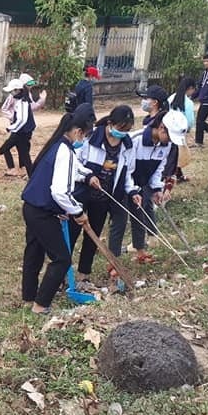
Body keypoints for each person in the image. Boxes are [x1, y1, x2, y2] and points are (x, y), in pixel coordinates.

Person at [19, 103, 100, 315]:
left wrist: (88, 176)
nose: (84, 140)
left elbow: (74, 171)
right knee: (61, 259)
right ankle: (40, 305)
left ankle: (29, 298)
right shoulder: (65, 151)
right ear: (78, 131)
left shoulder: (57, 145)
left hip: (31, 208)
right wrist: (78, 212)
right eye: (85, 135)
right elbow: (60, 192)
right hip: (42, 213)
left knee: (34, 253)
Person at [74, 105, 142, 288]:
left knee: (93, 237)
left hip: (104, 198)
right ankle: (64, 274)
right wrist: (88, 177)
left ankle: (83, 275)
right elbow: (75, 164)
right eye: (121, 128)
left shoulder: (127, 145)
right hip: (82, 193)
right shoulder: (91, 137)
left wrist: (132, 191)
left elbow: (127, 173)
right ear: (110, 123)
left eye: (127, 130)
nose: (123, 133)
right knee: (72, 234)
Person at [112, 109, 188, 265]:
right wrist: (132, 190)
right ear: (161, 128)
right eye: (169, 136)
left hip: (142, 183)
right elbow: (126, 169)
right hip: (123, 183)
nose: (170, 141)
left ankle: (140, 251)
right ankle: (113, 259)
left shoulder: (166, 145)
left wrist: (156, 188)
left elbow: (158, 168)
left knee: (140, 216)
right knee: (120, 221)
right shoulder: (135, 140)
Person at [0, 78, 35, 178]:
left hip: (22, 131)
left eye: (11, 91)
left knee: (9, 145)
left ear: (17, 90)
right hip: (22, 130)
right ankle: (30, 174)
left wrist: (9, 128)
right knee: (23, 153)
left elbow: (22, 120)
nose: (10, 93)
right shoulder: (21, 100)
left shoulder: (22, 102)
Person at [168, 77, 197, 183]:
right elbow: (190, 121)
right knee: (177, 154)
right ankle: (173, 176)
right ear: (190, 88)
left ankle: (178, 175)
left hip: (168, 129)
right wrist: (188, 129)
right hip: (179, 131)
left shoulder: (171, 98)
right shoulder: (188, 103)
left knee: (172, 153)